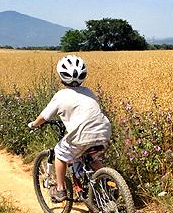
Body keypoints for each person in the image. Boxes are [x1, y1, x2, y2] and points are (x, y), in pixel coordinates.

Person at [28, 55, 111, 202]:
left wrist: (33, 124)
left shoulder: (61, 95)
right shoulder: (90, 92)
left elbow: (44, 117)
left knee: (60, 154)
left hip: (81, 135)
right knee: (92, 158)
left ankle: (60, 189)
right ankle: (107, 185)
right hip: (103, 131)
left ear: (61, 77)